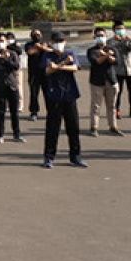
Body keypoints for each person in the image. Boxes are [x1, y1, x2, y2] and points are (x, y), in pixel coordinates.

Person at [43, 31, 86, 169]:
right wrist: (63, 64)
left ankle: (76, 157)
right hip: (54, 95)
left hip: (70, 95)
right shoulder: (47, 55)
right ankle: (49, 157)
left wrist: (60, 66)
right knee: (52, 128)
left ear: (65, 42)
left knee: (73, 127)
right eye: (56, 41)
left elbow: (75, 67)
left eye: (61, 41)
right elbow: (48, 70)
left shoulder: (70, 53)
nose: (59, 44)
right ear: (51, 42)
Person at [87, 27, 123, 137]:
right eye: (98, 36)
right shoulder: (92, 51)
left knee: (112, 105)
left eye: (102, 35)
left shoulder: (112, 49)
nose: (100, 38)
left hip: (111, 80)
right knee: (96, 106)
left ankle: (113, 126)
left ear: (106, 36)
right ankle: (94, 127)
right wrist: (107, 55)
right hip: (97, 82)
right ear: (94, 37)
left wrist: (109, 56)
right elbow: (96, 61)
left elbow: (117, 62)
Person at [0, 33, 24, 143]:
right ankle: (0, 135)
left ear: (6, 42)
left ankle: (16, 134)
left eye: (2, 40)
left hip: (12, 84)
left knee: (14, 111)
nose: (0, 43)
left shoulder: (13, 53)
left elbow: (16, 66)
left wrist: (6, 59)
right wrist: (2, 60)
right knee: (0, 111)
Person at [110, 20, 131, 119]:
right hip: (118, 70)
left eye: (122, 29)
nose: (120, 31)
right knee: (117, 92)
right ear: (114, 30)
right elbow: (114, 49)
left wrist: (126, 40)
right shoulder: (110, 41)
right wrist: (120, 41)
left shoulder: (130, 39)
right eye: (118, 29)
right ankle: (116, 110)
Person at [25, 29, 52, 121]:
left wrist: (41, 47)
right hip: (33, 73)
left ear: (41, 35)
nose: (36, 35)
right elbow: (30, 52)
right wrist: (40, 48)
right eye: (34, 34)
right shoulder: (28, 44)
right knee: (33, 93)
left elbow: (51, 51)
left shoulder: (46, 43)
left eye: (38, 34)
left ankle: (51, 111)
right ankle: (34, 112)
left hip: (46, 72)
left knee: (48, 93)